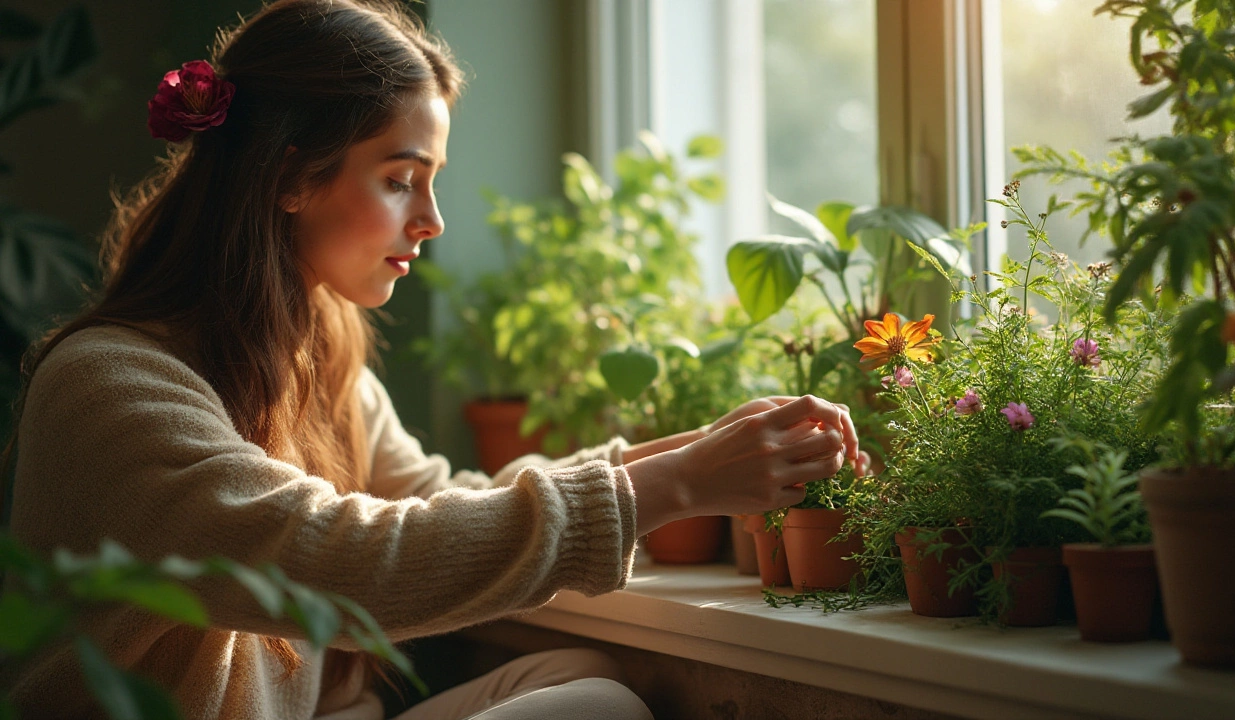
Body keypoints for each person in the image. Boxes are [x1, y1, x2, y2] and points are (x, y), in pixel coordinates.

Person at [4, 1, 865, 718]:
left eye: (432, 178)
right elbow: (342, 565)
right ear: (289, 179)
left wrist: (692, 451)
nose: (431, 220)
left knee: (595, 686)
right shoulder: (109, 387)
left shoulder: (319, 348)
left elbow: (439, 509)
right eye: (399, 178)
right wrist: (677, 486)